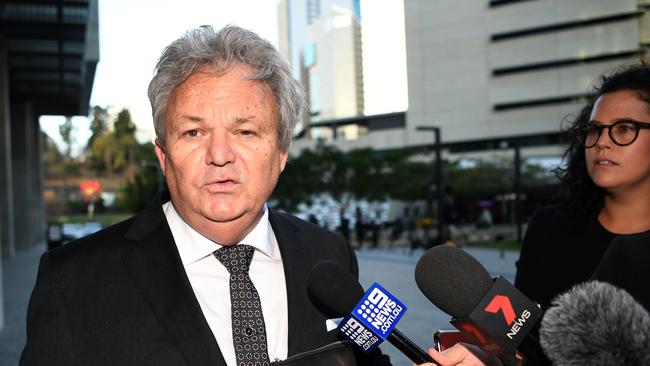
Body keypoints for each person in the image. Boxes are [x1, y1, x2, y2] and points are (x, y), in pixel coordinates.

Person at [20, 25, 390, 366]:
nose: (219, 154)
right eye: (194, 132)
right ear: (163, 156)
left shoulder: (328, 254)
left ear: (281, 153)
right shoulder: (73, 281)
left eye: (245, 132)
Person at [514, 63, 650, 364]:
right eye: (594, 130)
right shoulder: (549, 229)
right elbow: (520, 344)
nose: (601, 142)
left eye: (624, 129)